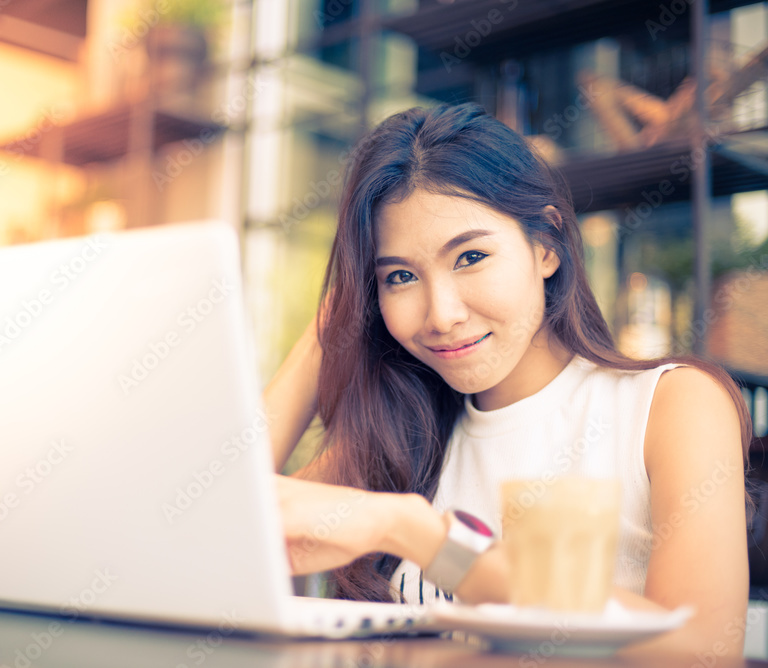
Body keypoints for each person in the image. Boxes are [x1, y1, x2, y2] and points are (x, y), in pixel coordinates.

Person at [263, 103, 753, 655]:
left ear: (546, 243)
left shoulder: (671, 406)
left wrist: (420, 537)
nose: (441, 314)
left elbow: (703, 651)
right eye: (399, 277)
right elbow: (206, 535)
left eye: (470, 256)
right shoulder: (397, 437)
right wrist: (326, 333)